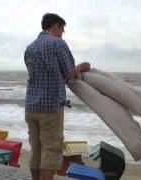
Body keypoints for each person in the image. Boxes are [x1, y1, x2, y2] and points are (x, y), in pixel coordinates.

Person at [24, 13, 90, 180]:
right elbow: (69, 74)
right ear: (55, 26)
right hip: (50, 107)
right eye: (62, 29)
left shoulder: (29, 48)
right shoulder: (57, 43)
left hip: (31, 106)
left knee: (36, 150)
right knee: (51, 151)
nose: (62, 33)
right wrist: (83, 66)